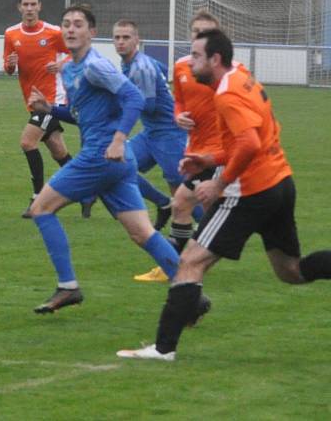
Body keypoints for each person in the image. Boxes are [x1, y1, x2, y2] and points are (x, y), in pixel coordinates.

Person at [117, 29, 331, 361]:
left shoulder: (227, 94)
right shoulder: (241, 76)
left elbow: (249, 144)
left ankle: (163, 349)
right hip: (279, 182)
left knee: (190, 261)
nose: (190, 63)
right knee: (291, 270)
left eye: (197, 56)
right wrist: (209, 159)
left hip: (251, 191)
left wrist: (218, 183)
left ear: (215, 59)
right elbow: (250, 139)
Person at [26, 5, 182, 314]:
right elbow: (82, 114)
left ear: (91, 33)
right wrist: (50, 110)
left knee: (40, 209)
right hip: (116, 163)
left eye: (78, 25)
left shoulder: (96, 66)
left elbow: (135, 98)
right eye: (66, 24)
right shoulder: (70, 69)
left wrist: (119, 138)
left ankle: (68, 286)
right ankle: (190, 290)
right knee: (142, 232)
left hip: (100, 156)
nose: (71, 29)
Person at [133, 11, 233, 283]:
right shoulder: (180, 66)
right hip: (196, 149)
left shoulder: (228, 72)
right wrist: (179, 116)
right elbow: (179, 102)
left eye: (207, 33)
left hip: (218, 152)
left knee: (184, 204)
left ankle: (177, 267)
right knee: (189, 205)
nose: (201, 37)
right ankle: (180, 264)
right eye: (197, 32)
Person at [3, 0, 90, 219]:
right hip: (32, 101)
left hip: (52, 99)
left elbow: (78, 53)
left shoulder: (52, 32)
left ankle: (37, 199)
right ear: (19, 7)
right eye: (25, 4)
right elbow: (9, 68)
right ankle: (86, 193)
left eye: (33, 4)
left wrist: (62, 65)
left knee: (27, 142)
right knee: (58, 150)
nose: (29, 9)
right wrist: (10, 64)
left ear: (39, 6)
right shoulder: (11, 34)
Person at [112, 20, 188, 282]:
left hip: (168, 135)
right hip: (152, 133)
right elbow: (164, 75)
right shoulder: (135, 63)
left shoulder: (140, 67)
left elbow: (150, 105)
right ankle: (161, 203)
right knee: (119, 164)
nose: (121, 42)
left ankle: (219, 227)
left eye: (126, 37)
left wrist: (116, 102)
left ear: (137, 40)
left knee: (185, 200)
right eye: (117, 37)